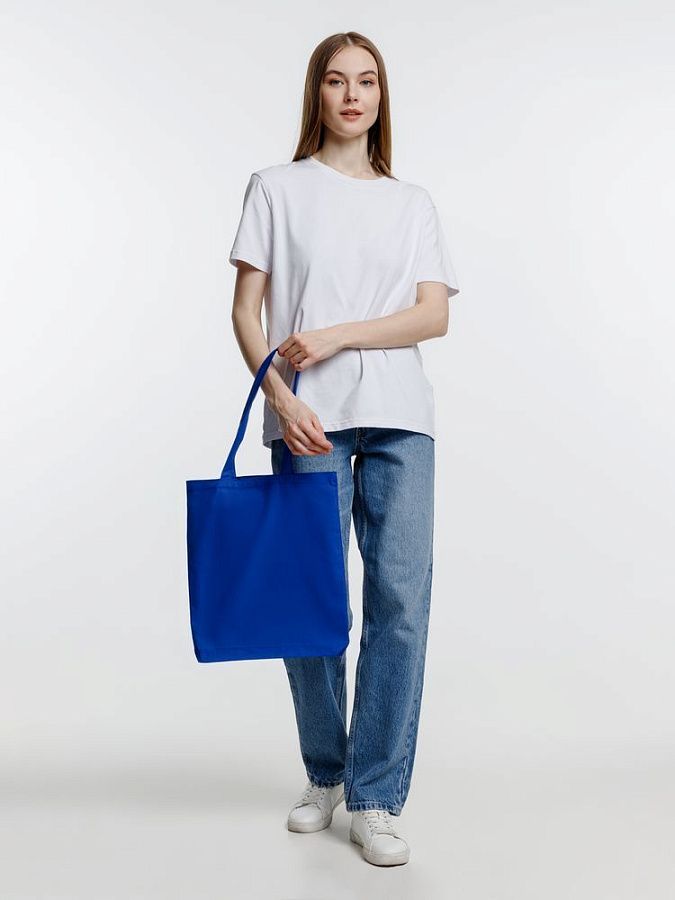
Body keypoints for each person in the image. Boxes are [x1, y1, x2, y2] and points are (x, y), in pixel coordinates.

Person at [228, 31, 460, 867]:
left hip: (400, 413)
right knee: (312, 600)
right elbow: (245, 311)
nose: (352, 95)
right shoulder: (275, 188)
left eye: (366, 81)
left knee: (400, 602)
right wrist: (281, 396)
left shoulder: (411, 203)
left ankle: (375, 795)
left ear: (380, 96)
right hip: (307, 417)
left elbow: (432, 315)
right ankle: (326, 771)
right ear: (316, 93)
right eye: (336, 80)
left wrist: (332, 336)